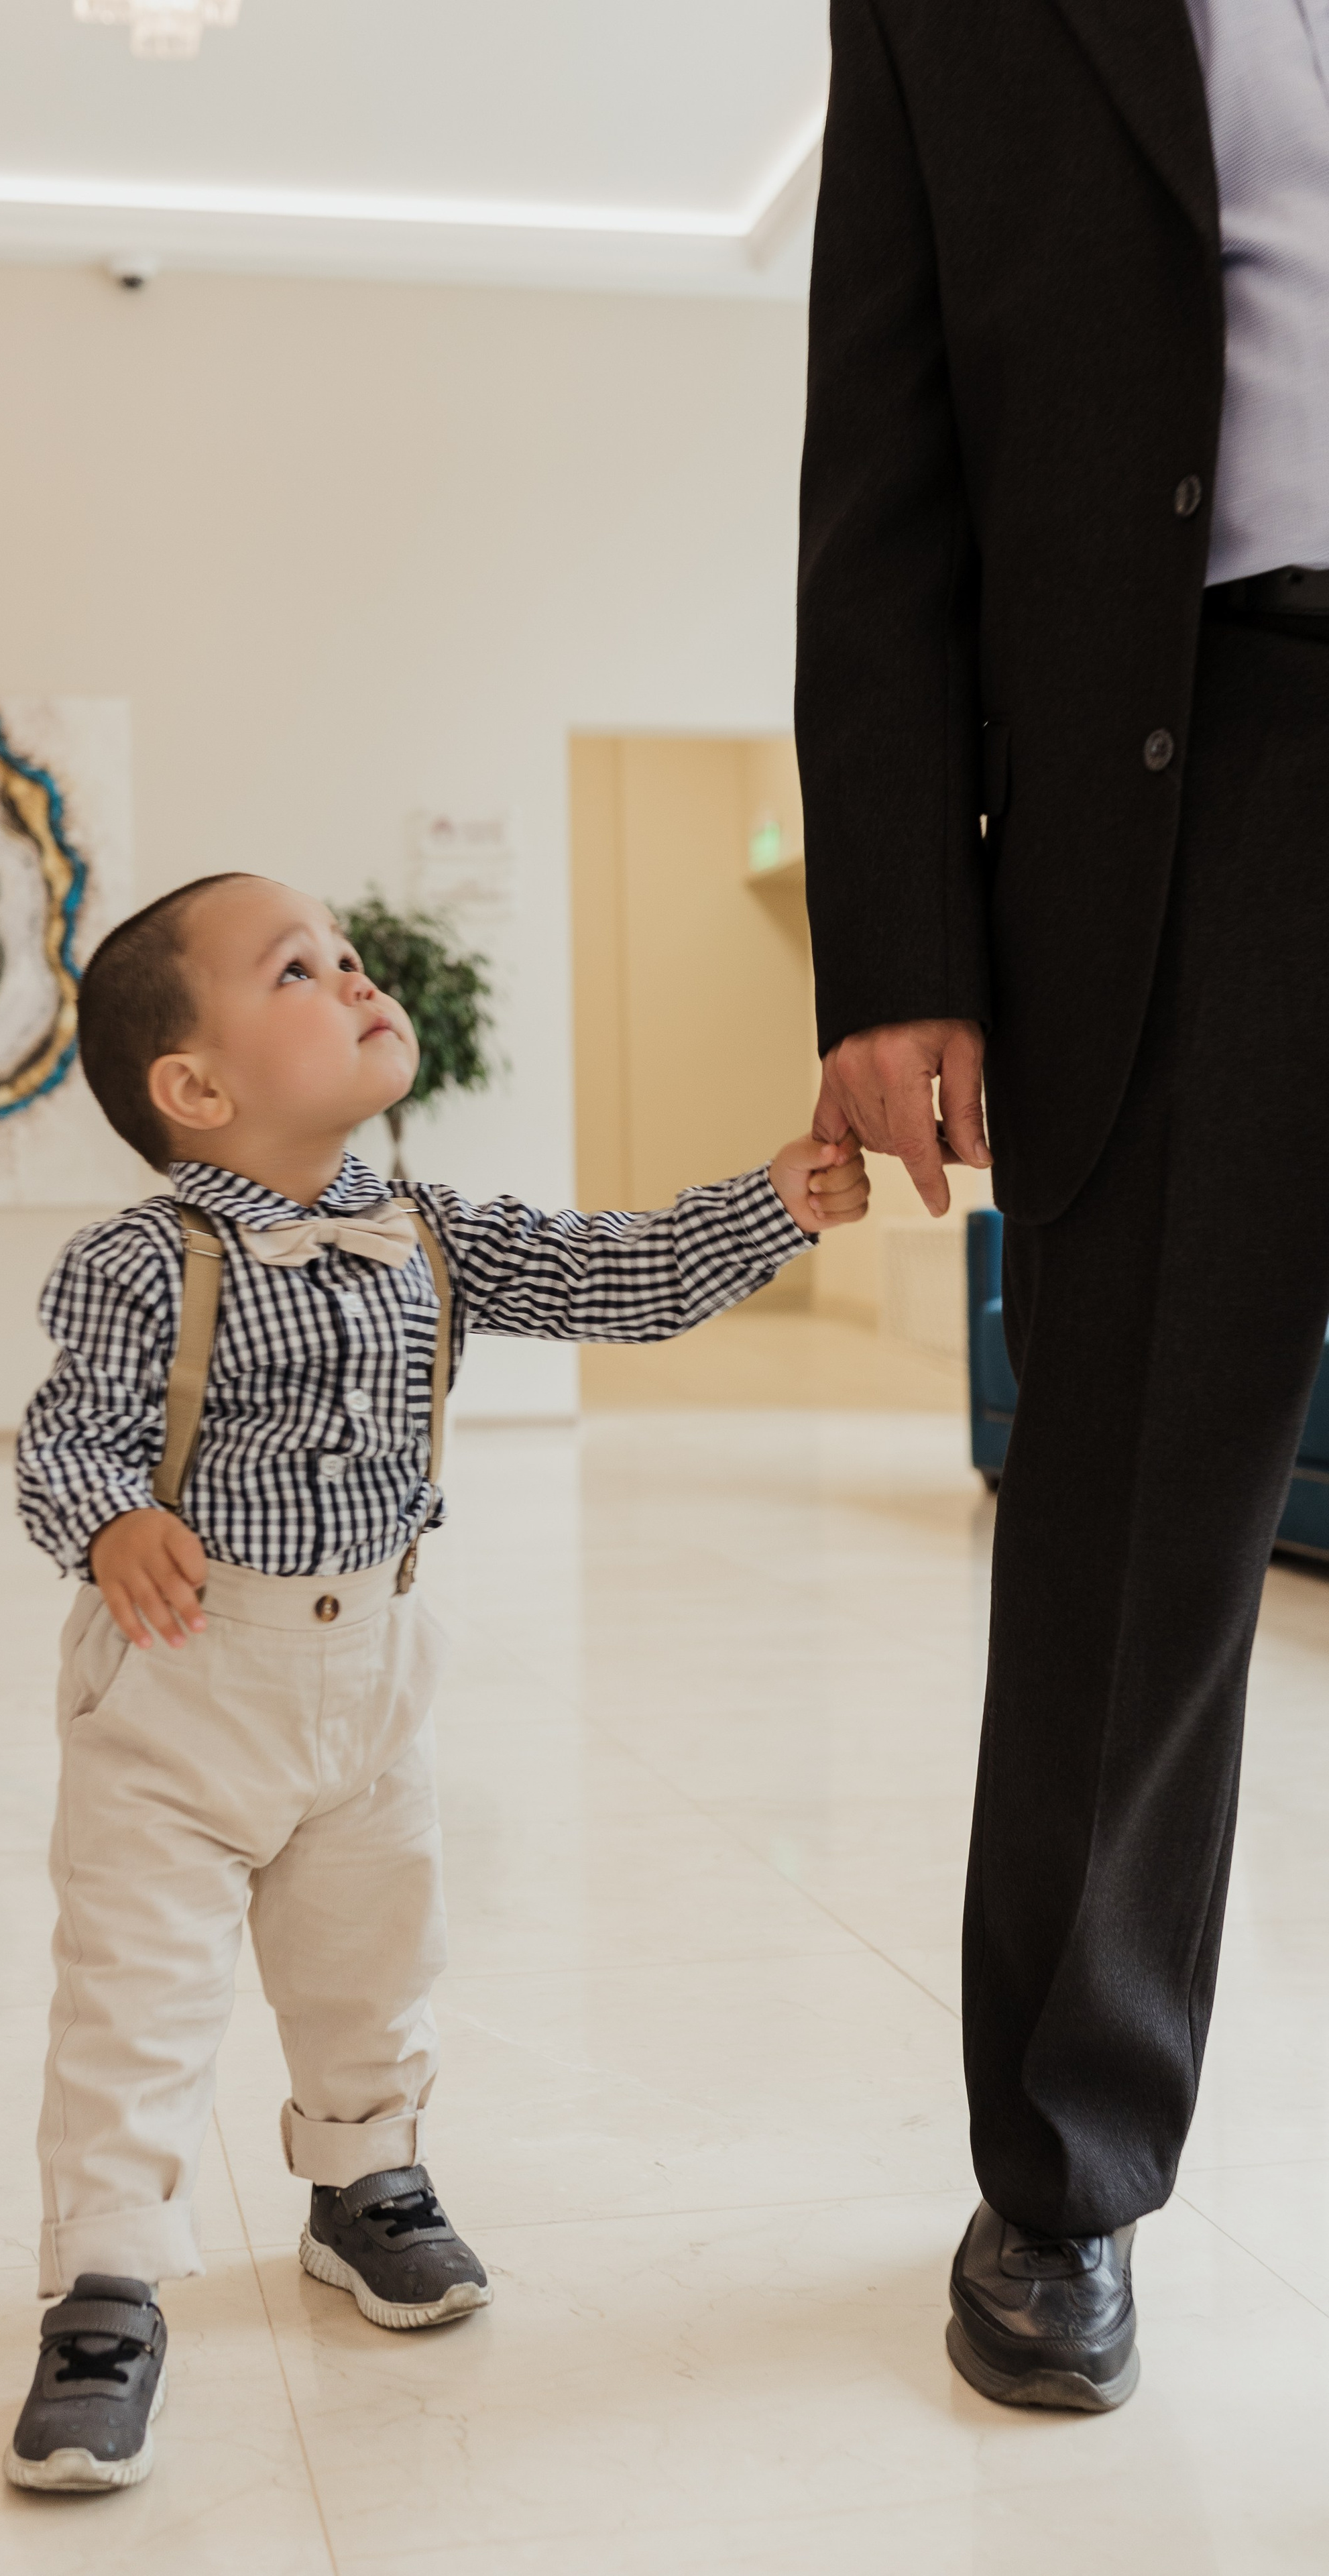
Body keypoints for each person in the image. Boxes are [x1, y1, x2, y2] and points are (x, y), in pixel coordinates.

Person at [3, 869, 870, 2490]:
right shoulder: (142, 1259)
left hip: (371, 1682)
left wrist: (771, 1201)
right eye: (296, 969)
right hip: (180, 1700)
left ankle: (363, 2183)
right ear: (194, 1088)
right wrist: (111, 1513)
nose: (353, 976)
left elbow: (618, 1272)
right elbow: (65, 1433)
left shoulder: (434, 1235)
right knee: (136, 1995)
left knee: (372, 1955)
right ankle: (106, 2282)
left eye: (347, 954)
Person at [797, 0, 1329, 2413]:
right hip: (1204, 776)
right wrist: (908, 945)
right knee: (1126, 1530)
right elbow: (884, 476)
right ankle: (1067, 2172)